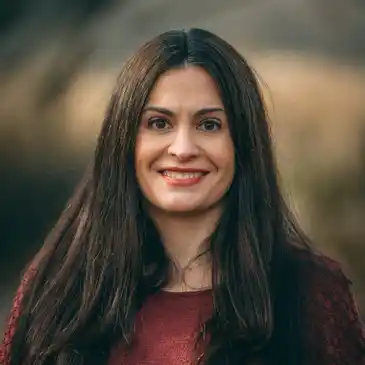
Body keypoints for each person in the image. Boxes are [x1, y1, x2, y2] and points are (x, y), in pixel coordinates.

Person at [0, 28, 364, 365]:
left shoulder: (308, 292)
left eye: (209, 125)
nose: (183, 148)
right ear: (123, 141)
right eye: (159, 123)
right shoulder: (57, 290)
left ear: (244, 144)